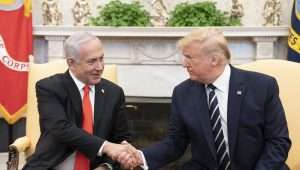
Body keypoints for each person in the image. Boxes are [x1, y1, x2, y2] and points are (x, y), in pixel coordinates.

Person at [118, 28, 291, 170]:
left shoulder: (261, 86)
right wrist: (140, 156)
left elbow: (278, 141)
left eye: (189, 57)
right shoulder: (183, 93)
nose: (184, 63)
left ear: (214, 60)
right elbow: (175, 142)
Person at [23, 32, 135, 170]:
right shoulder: (49, 87)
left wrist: (107, 166)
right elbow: (60, 128)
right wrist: (105, 146)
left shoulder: (114, 93)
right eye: (92, 61)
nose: (100, 67)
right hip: (52, 166)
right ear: (71, 63)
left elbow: (122, 138)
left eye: (101, 59)